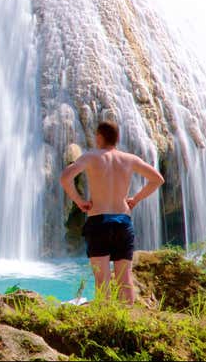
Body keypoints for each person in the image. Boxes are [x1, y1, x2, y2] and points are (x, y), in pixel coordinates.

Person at [60, 121, 164, 304]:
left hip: (99, 221)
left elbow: (65, 178)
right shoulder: (129, 159)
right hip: (123, 221)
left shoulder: (91, 157)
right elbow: (157, 179)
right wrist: (135, 199)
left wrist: (79, 201)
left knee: (103, 279)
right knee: (125, 279)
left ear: (99, 137)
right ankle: (129, 318)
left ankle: (106, 317)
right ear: (117, 138)